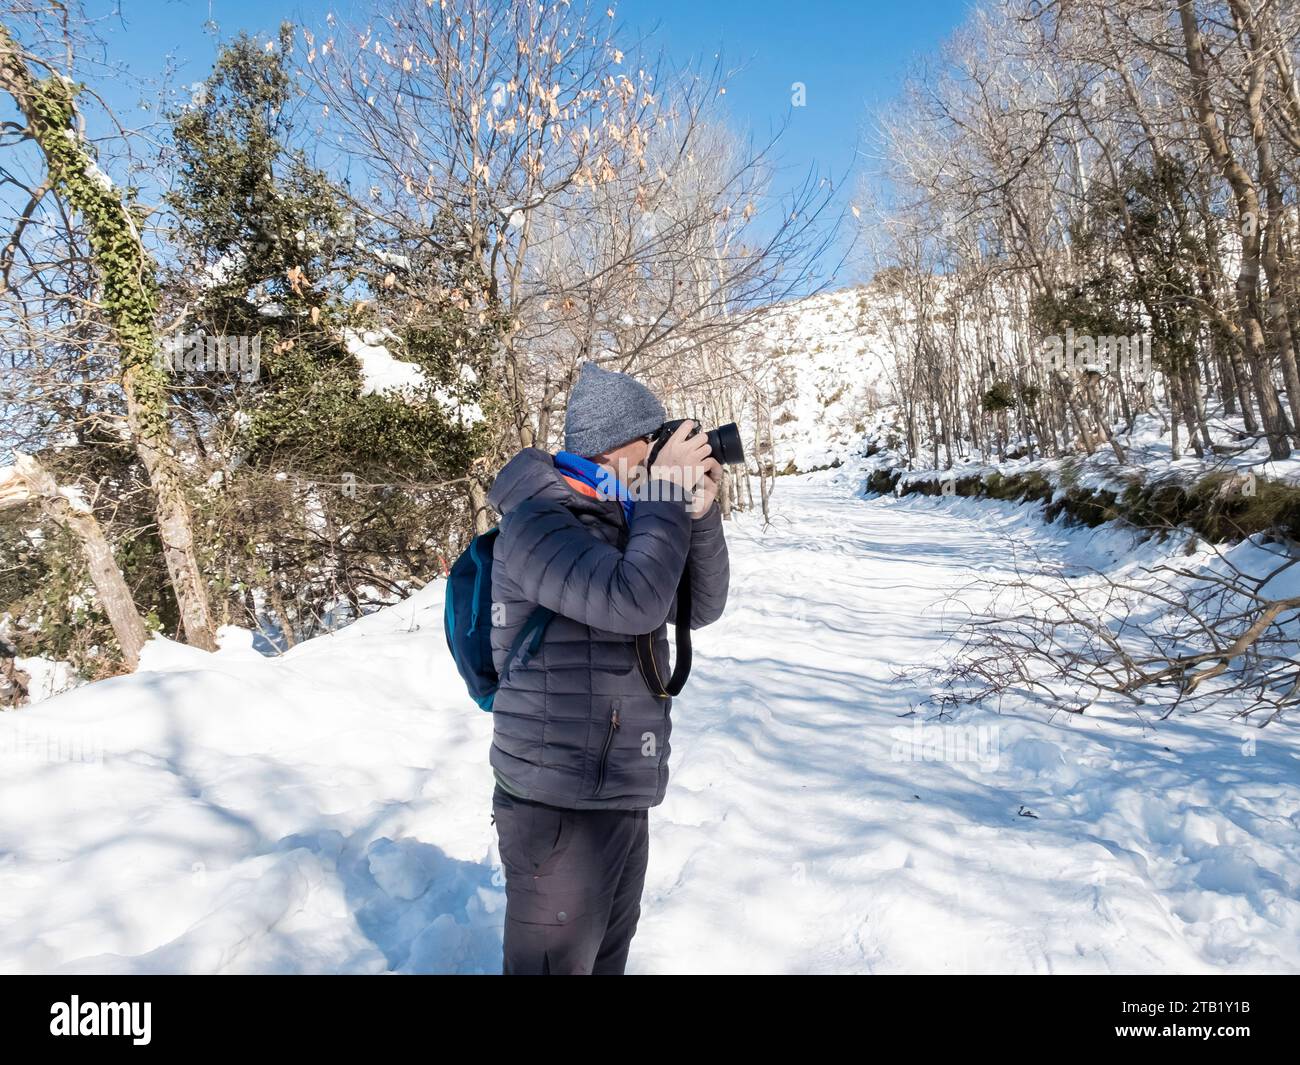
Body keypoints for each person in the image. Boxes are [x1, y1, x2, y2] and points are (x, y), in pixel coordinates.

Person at [485, 361, 730, 975]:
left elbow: (695, 609)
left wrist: (696, 517)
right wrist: (664, 498)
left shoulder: (625, 516)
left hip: (619, 788)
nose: (663, 457)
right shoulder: (539, 522)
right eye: (657, 443)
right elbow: (633, 600)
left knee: (606, 963)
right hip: (556, 801)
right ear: (623, 447)